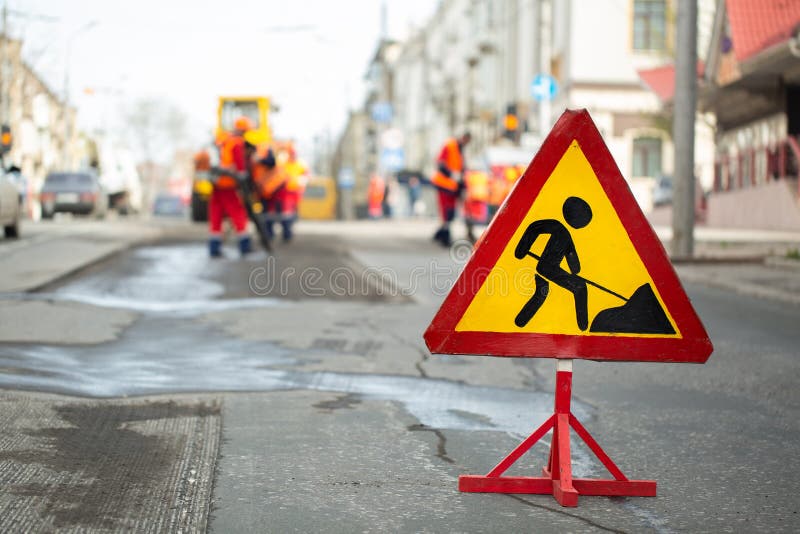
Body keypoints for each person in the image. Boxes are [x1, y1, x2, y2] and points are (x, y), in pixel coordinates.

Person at [513, 196, 593, 331]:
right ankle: (583, 325)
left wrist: (521, 250)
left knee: (541, 293)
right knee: (580, 287)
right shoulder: (560, 229)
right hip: (548, 268)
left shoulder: (559, 229)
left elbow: (574, 265)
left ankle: (519, 323)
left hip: (547, 268)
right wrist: (522, 249)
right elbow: (574, 266)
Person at [209, 116, 252, 257]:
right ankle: (244, 245)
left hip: (216, 182)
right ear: (244, 130)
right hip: (228, 183)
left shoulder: (223, 138)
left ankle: (214, 247)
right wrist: (243, 176)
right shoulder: (237, 142)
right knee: (237, 212)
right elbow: (239, 164)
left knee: (216, 213)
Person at [431, 132, 471, 247]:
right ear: (463, 137)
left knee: (450, 211)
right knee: (447, 211)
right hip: (444, 184)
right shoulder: (450, 145)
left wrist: (463, 185)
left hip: (453, 186)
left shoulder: (461, 150)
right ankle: (444, 235)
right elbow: (441, 164)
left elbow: (461, 168)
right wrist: (451, 174)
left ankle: (440, 233)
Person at [252, 147, 291, 241]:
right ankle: (269, 234)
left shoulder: (265, 151)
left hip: (273, 189)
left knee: (279, 213)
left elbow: (271, 162)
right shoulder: (257, 152)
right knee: (266, 214)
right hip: (264, 190)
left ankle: (286, 234)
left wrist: (259, 160)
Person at [279, 144, 309, 241]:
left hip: (296, 191)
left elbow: (306, 175)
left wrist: (302, 182)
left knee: (292, 212)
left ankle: (288, 230)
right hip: (286, 192)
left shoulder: (300, 165)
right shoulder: (284, 164)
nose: (292, 156)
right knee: (286, 212)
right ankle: (287, 232)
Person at [463, 170, 489, 242]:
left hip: (473, 200)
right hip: (479, 200)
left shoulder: (468, 176)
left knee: (473, 219)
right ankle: (473, 235)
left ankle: (472, 235)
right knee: (477, 219)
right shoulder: (484, 175)